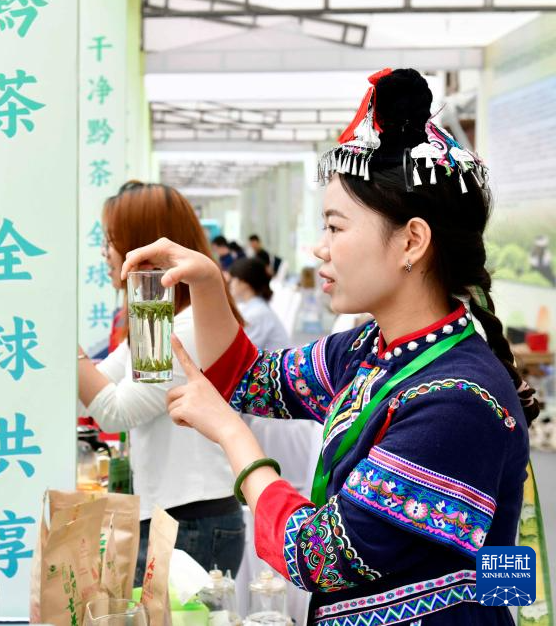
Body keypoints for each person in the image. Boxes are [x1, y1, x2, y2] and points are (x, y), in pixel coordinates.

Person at [125, 69, 538, 625]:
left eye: (335, 228)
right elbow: (252, 380)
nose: (319, 249)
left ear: (412, 241)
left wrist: (230, 433)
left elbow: (321, 554)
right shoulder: (371, 348)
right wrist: (206, 282)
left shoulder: (457, 397)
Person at [78, 182, 247, 583]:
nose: (105, 253)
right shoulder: (159, 320)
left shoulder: (184, 328)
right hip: (178, 515)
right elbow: (92, 395)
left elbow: (115, 412)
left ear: (142, 245)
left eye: (111, 241)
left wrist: (63, 338)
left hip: (193, 520)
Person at [228, 257, 290, 350]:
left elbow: (240, 351)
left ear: (244, 282)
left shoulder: (256, 313)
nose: (230, 284)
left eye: (233, 279)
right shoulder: (254, 307)